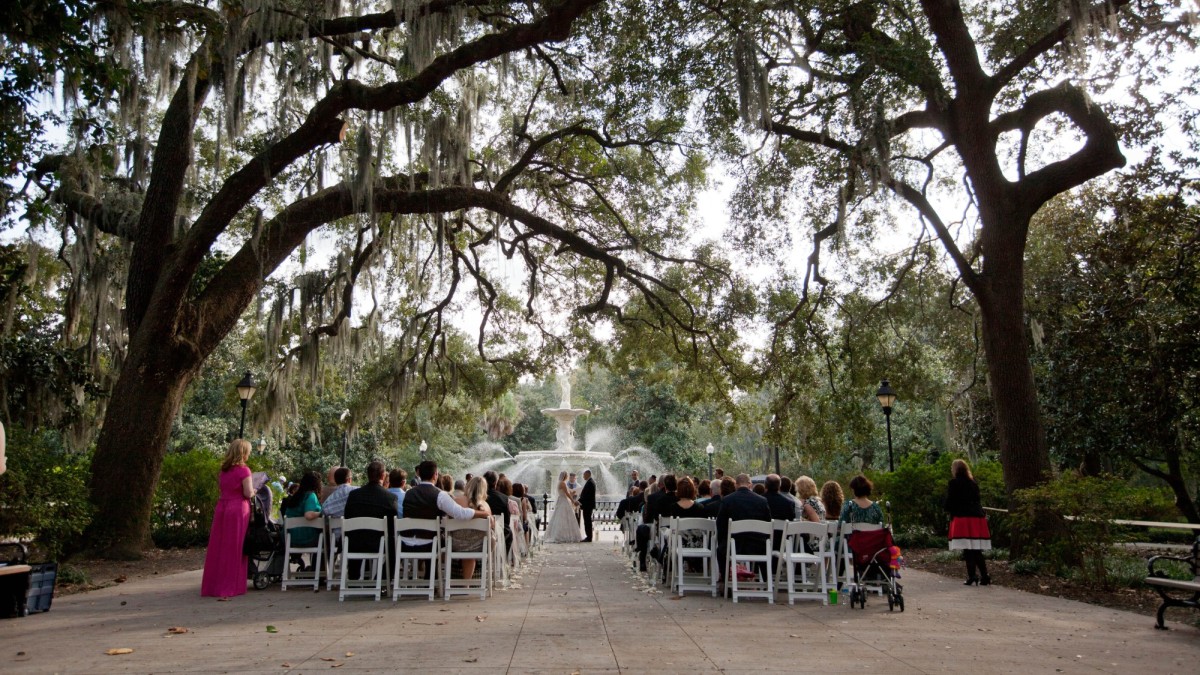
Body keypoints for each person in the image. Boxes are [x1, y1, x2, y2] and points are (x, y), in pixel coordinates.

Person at [200, 439, 254, 598]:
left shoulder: (224, 470)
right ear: (243, 453)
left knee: (218, 546)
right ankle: (232, 585)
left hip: (222, 507)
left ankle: (212, 586)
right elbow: (248, 493)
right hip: (237, 508)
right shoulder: (244, 470)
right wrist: (255, 489)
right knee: (235, 547)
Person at [343, 461, 399, 579]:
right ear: (383, 476)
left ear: (368, 475)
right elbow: (392, 525)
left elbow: (347, 517)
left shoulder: (354, 495)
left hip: (354, 544)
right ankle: (383, 579)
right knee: (394, 543)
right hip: (378, 543)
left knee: (355, 535)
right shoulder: (390, 498)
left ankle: (353, 576)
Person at [716, 473, 772, 583]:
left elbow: (720, 525)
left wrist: (724, 541)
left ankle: (725, 579)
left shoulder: (727, 500)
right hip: (758, 547)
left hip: (734, 546)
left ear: (736, 485)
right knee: (764, 546)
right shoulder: (762, 501)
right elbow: (768, 523)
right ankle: (767, 581)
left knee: (720, 551)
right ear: (750, 484)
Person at [945, 459, 992, 585]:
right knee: (976, 548)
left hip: (962, 518)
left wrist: (947, 509)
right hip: (977, 517)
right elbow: (977, 499)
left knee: (967, 548)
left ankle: (972, 576)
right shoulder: (973, 483)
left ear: (955, 470)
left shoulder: (954, 483)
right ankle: (985, 575)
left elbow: (950, 501)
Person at [450, 476, 493, 581]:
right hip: (478, 547)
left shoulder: (456, 501)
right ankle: (467, 583)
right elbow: (492, 526)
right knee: (491, 539)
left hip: (454, 545)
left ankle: (455, 576)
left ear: (468, 486)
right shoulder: (486, 506)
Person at [280, 470, 323, 569]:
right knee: (328, 541)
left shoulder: (296, 496)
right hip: (305, 538)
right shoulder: (310, 496)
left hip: (288, 538)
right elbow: (308, 515)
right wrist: (322, 512)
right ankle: (318, 572)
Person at [545, 471, 583, 543]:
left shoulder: (561, 483)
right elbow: (567, 493)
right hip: (563, 500)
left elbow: (568, 492)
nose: (568, 477)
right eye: (567, 476)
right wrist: (573, 501)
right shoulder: (562, 483)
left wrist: (573, 492)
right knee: (565, 516)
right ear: (565, 476)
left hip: (562, 500)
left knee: (560, 516)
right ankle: (563, 535)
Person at [763, 474, 796, 550]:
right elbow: (791, 521)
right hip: (782, 544)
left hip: (763, 543)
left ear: (765, 485)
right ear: (779, 486)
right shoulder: (789, 503)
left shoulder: (759, 501)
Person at [483, 471, 513, 553]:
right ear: (496, 482)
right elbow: (507, 521)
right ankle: (503, 559)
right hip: (498, 531)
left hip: (479, 531)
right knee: (509, 533)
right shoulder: (504, 498)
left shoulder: (478, 497)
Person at [579, 469, 597, 542]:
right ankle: (588, 536)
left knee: (587, 521)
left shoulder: (590, 483)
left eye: (584, 475)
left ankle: (589, 537)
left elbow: (587, 496)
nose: (583, 476)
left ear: (588, 474)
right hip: (588, 505)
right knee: (587, 521)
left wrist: (579, 501)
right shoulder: (590, 482)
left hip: (588, 506)